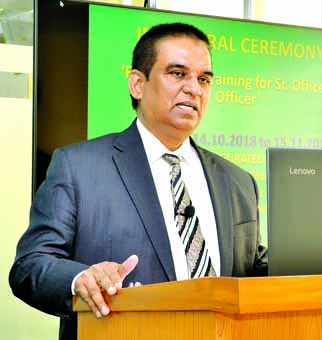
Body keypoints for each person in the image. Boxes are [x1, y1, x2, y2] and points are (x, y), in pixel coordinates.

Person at [9, 23, 268, 340]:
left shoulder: (238, 181)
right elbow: (30, 266)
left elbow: (254, 273)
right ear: (137, 84)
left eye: (204, 79)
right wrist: (80, 279)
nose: (194, 89)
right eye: (177, 73)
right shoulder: (78, 167)